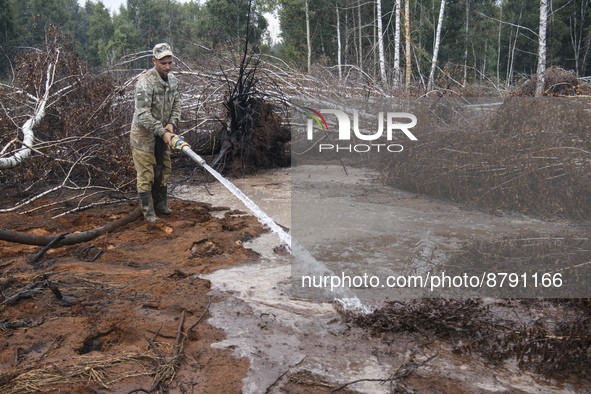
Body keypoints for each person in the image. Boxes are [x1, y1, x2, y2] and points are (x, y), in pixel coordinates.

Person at [130, 43, 181, 222]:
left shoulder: (173, 80)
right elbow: (142, 113)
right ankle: (148, 212)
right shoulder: (144, 82)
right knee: (146, 174)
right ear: (154, 61)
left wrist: (171, 124)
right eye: (163, 63)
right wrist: (162, 131)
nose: (167, 67)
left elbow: (177, 104)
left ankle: (161, 205)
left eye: (170, 62)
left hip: (163, 135)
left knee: (164, 169)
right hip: (144, 137)